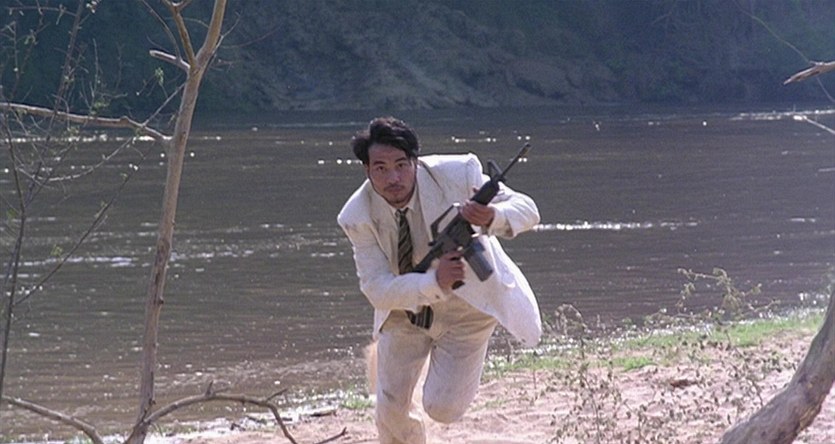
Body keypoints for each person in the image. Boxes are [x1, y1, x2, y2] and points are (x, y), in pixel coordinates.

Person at [337, 116, 542, 444]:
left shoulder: (457, 174)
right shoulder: (356, 215)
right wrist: (435, 282)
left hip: (468, 312)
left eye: (401, 165)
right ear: (367, 171)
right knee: (389, 410)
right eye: (381, 168)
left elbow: (527, 209)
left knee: (442, 408)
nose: (393, 178)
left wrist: (492, 216)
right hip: (406, 308)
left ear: (415, 162)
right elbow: (376, 287)